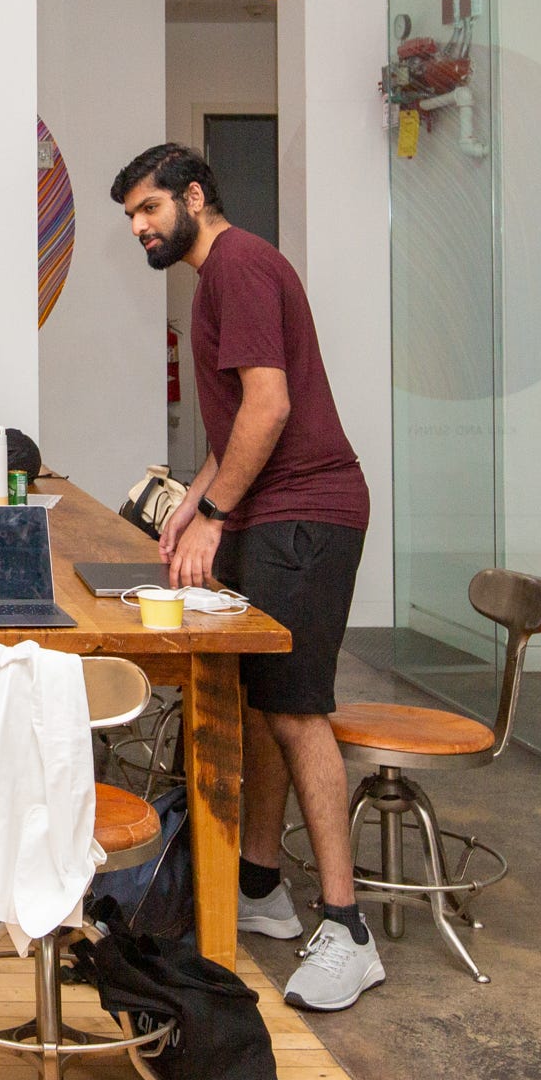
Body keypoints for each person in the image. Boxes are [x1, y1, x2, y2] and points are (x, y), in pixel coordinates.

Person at [110, 142, 382, 1013]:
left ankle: (348, 928)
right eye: (130, 219)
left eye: (149, 209)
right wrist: (193, 503)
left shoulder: (241, 264)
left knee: (299, 710)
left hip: (307, 511)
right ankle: (259, 883)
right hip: (270, 506)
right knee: (262, 700)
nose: (140, 228)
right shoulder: (216, 274)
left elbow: (272, 406)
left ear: (195, 194)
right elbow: (235, 433)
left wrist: (219, 515)